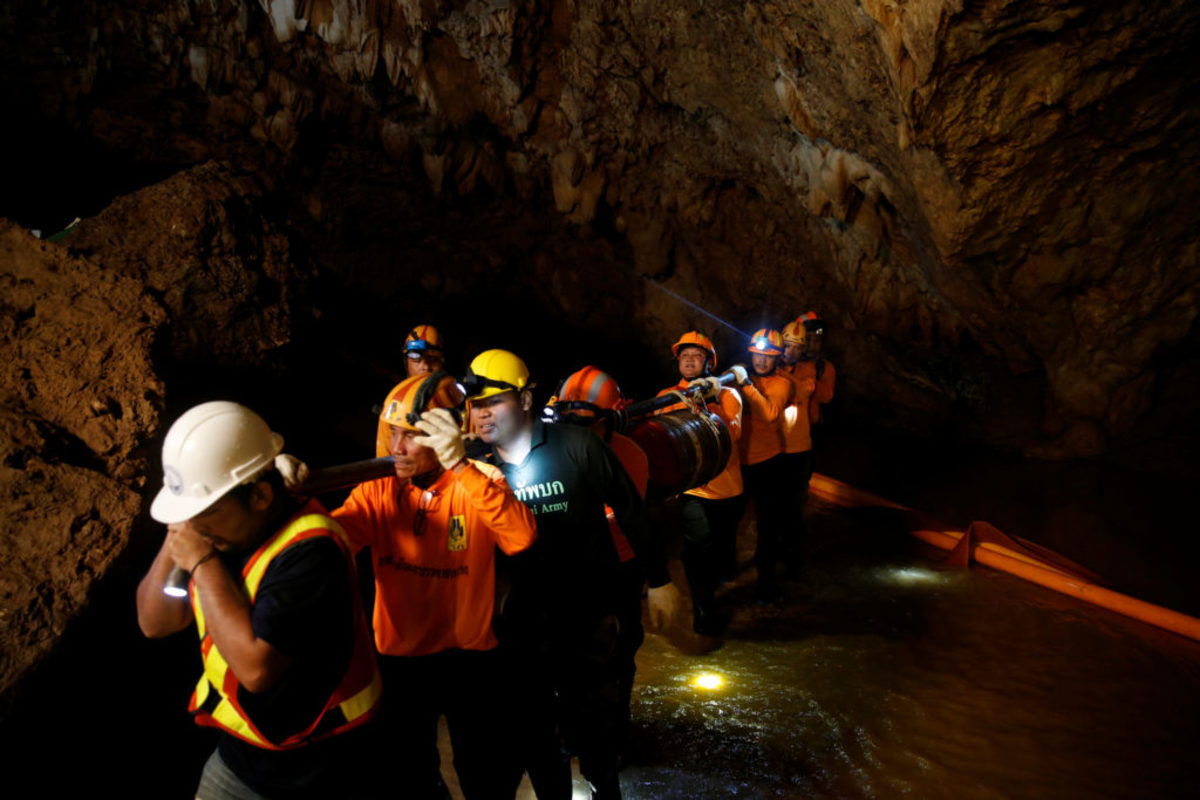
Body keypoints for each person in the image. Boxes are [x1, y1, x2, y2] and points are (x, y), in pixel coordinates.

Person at [136, 401, 381, 800]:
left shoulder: (312, 549)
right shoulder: (212, 528)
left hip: (324, 765)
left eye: (207, 510)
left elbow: (256, 670)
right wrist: (177, 534)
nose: (197, 526)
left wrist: (201, 560)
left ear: (262, 496)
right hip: (242, 756)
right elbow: (154, 622)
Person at [463, 349, 679, 800]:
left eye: (494, 402)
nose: (482, 414)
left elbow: (631, 510)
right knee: (537, 736)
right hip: (518, 628)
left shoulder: (577, 446)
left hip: (585, 618)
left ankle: (606, 788)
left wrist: (659, 581)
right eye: (475, 404)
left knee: (596, 731)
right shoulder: (473, 469)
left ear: (525, 400)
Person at [321, 372, 537, 799]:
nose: (396, 449)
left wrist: (458, 466)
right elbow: (327, 543)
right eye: (393, 434)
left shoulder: (480, 480)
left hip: (468, 657)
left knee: (484, 773)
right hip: (401, 660)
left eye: (412, 437)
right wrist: (289, 504)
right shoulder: (378, 490)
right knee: (409, 773)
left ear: (445, 436)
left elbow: (521, 537)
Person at [550, 365, 650, 769]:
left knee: (619, 653)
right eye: (568, 421)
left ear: (611, 419)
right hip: (567, 569)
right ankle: (571, 730)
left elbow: (621, 515)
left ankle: (614, 733)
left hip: (617, 569)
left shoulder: (630, 456)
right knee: (564, 653)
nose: (576, 431)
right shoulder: (552, 450)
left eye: (585, 422)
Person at [654, 331, 746, 635]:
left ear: (709, 362)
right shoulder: (667, 397)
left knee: (720, 551)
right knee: (697, 548)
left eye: (696, 356)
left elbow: (731, 437)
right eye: (684, 356)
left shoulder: (728, 395)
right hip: (691, 487)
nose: (689, 361)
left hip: (727, 487)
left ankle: (714, 583)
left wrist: (710, 397)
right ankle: (702, 608)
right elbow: (659, 439)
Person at [736, 329, 794, 603]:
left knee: (767, 528)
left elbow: (770, 413)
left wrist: (746, 384)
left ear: (777, 358)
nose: (761, 360)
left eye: (767, 356)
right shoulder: (739, 380)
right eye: (757, 354)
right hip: (738, 463)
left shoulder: (782, 383)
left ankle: (766, 584)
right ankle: (725, 570)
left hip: (769, 464)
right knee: (727, 522)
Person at [779, 320, 818, 577]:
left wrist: (781, 373)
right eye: (788, 346)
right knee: (773, 506)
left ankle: (792, 561)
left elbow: (804, 390)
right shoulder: (771, 368)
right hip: (774, 449)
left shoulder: (807, 369)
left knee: (793, 507)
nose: (790, 351)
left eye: (796, 347)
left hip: (799, 449)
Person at [376, 325, 449, 457]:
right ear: (406, 363)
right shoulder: (396, 404)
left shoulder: (456, 398)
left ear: (442, 361)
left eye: (432, 358)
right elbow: (384, 458)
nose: (425, 366)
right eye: (417, 360)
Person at [796, 310, 836, 427]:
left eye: (817, 341)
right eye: (808, 339)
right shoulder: (787, 364)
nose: (812, 345)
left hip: (812, 426)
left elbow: (826, 397)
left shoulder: (824, 367)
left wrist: (809, 373)